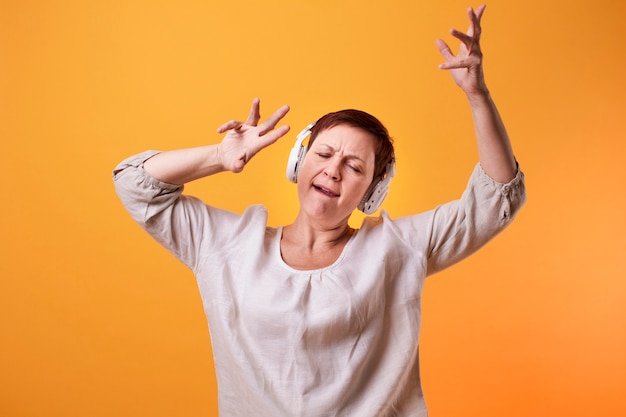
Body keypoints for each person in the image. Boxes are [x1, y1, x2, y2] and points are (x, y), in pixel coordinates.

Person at [113, 5, 525, 416]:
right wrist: (220, 156)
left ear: (373, 190)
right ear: (299, 162)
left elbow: (495, 200)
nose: (333, 170)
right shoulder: (228, 245)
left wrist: (478, 96)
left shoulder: (397, 248)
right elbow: (134, 182)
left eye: (355, 166)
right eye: (325, 153)